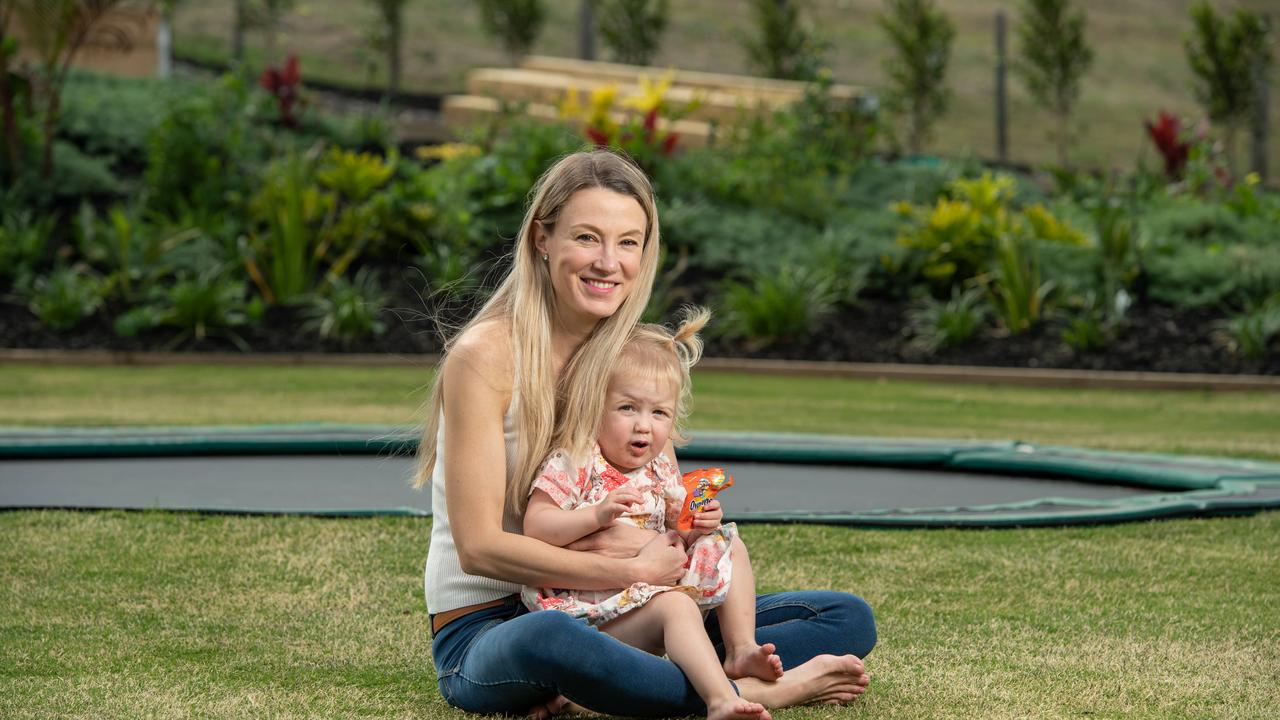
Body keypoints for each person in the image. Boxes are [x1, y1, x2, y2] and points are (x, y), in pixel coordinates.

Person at [414, 149, 875, 717]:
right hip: (494, 625)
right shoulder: (485, 357)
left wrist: (687, 529)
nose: (608, 262)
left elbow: (659, 496)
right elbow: (479, 547)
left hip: (625, 607)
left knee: (844, 618)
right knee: (553, 642)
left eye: (628, 242)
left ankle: (637, 679)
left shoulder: (629, 358)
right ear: (542, 239)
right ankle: (756, 692)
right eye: (586, 237)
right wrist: (629, 569)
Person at [522, 309, 781, 720]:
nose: (644, 427)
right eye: (628, 408)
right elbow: (536, 526)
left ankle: (740, 649)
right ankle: (721, 699)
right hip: (595, 615)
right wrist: (595, 515)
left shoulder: (659, 467)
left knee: (731, 544)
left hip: (653, 594)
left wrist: (698, 526)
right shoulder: (574, 460)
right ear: (593, 406)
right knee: (675, 609)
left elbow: (676, 540)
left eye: (658, 413)